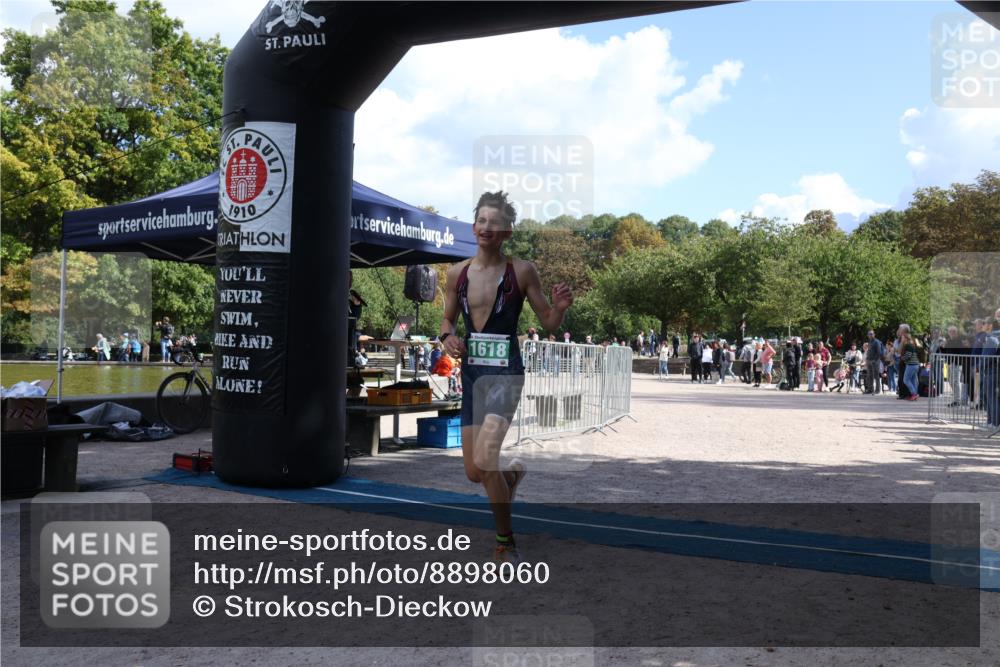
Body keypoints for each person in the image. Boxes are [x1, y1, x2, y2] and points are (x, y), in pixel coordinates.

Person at [439, 190, 572, 563]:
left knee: (484, 461)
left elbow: (547, 320)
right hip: (472, 376)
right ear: (474, 226)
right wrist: (448, 336)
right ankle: (509, 478)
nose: (486, 228)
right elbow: (447, 319)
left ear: (507, 232)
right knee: (473, 472)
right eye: (481, 221)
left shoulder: (522, 270)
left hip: (506, 377)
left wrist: (559, 310)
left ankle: (505, 541)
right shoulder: (456, 274)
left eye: (494, 223)